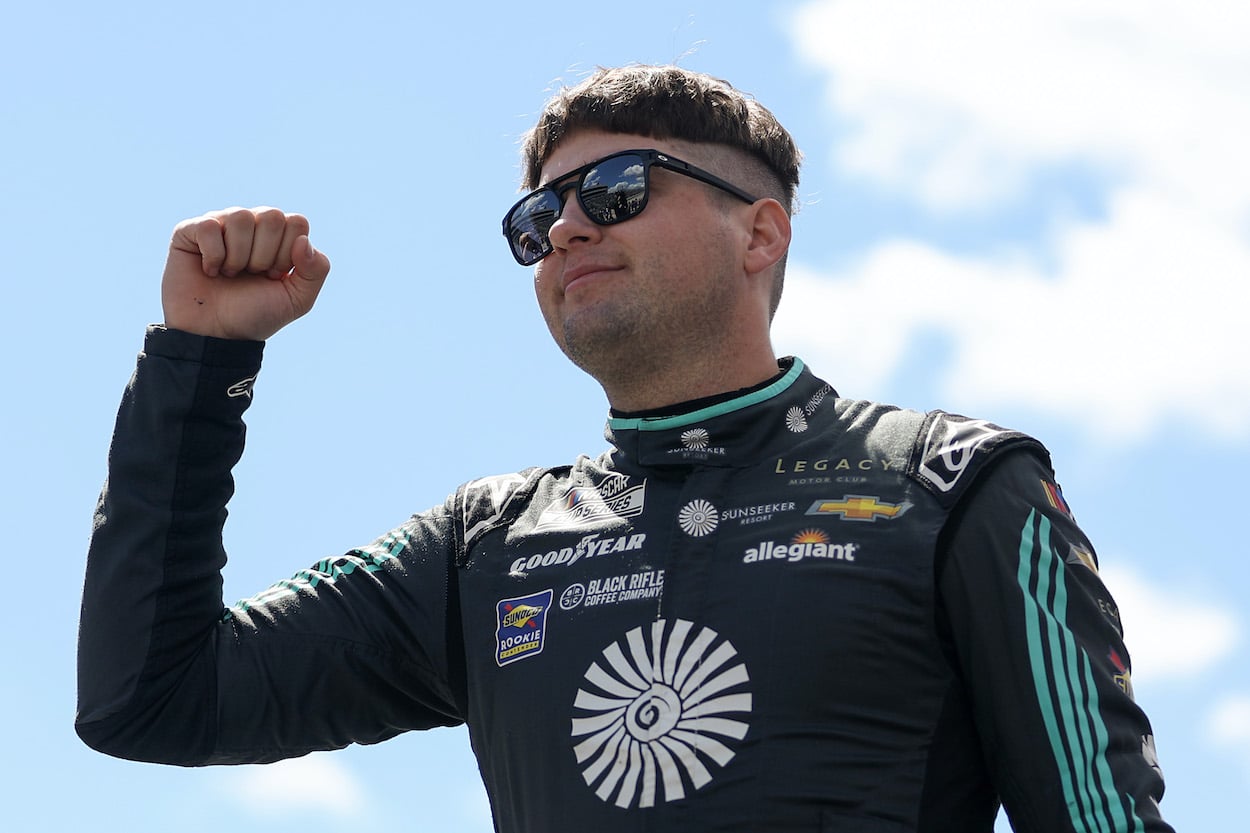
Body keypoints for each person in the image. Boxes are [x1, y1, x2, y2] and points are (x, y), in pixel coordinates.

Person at [77, 65, 1174, 832]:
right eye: (535, 216)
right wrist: (198, 361)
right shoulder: (483, 545)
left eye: (615, 189)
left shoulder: (957, 484)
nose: (563, 229)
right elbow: (150, 695)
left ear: (759, 231)